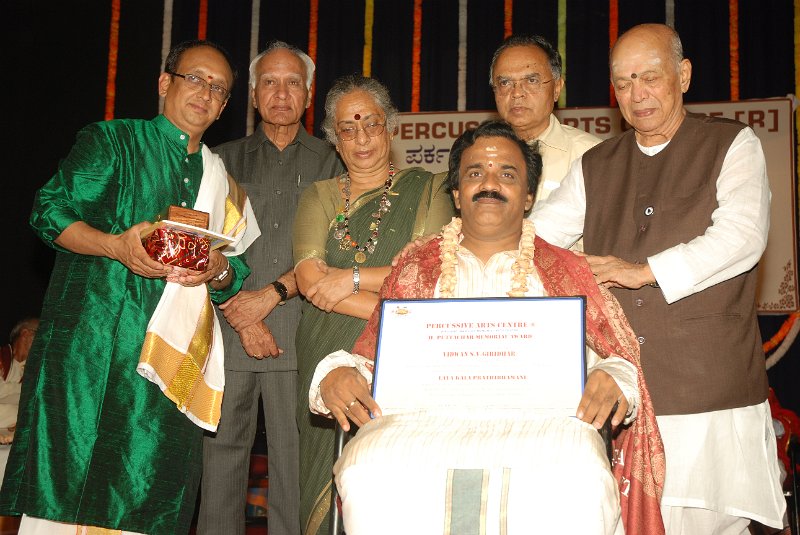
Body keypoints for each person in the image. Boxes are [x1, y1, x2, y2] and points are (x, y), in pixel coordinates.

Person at [311, 120, 664, 535]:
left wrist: (611, 375)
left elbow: (618, 357)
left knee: (580, 470)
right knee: (367, 467)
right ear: (457, 194)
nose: (490, 184)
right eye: (475, 173)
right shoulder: (417, 269)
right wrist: (334, 374)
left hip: (545, 427)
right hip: (420, 425)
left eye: (507, 174)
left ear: (529, 195)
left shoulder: (567, 271)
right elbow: (372, 359)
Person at [0, 40, 260, 535]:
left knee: (153, 497)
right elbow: (49, 211)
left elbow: (234, 275)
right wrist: (115, 246)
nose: (204, 93)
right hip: (91, 360)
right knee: (69, 495)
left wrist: (216, 272)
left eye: (218, 88)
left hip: (169, 372)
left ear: (226, 107)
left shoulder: (223, 181)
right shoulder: (113, 141)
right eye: (194, 78)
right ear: (165, 84)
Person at [533, 23, 785, 533]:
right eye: (623, 83)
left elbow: (741, 237)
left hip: (707, 394)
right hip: (617, 392)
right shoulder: (596, 165)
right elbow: (536, 243)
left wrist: (643, 271)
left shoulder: (732, 143)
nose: (636, 94)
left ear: (684, 75)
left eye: (650, 77)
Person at [293, 74, 455, 534]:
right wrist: (392, 307)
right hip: (327, 348)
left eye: (371, 124)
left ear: (390, 127)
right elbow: (309, 279)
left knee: (396, 481)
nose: (361, 138)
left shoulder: (431, 188)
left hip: (403, 349)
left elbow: (428, 274)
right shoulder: (319, 196)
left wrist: (351, 279)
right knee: (326, 482)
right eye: (347, 128)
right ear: (334, 140)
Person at [198, 41, 343, 535]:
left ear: (307, 95)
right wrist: (240, 311)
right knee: (219, 465)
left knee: (295, 470)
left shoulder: (334, 162)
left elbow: (337, 253)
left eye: (292, 83)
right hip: (225, 332)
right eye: (269, 83)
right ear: (254, 96)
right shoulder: (219, 160)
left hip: (302, 335)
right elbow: (201, 244)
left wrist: (268, 301)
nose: (281, 93)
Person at [490, 34, 600, 211]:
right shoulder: (479, 154)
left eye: (531, 80)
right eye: (505, 82)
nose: (517, 93)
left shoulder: (591, 156)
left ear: (557, 88)